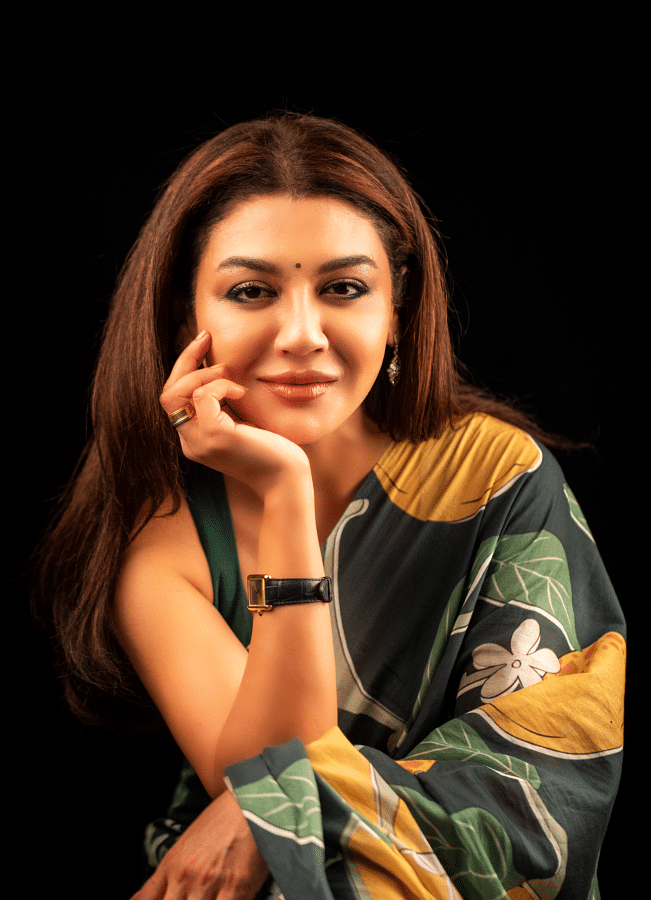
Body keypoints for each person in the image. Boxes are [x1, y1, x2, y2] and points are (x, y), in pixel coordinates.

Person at [35, 113, 624, 899]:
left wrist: (302, 804)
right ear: (186, 317)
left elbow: (546, 765)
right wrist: (283, 492)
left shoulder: (492, 478)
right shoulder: (163, 536)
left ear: (397, 312)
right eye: (251, 291)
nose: (302, 334)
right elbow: (263, 787)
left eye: (343, 289)